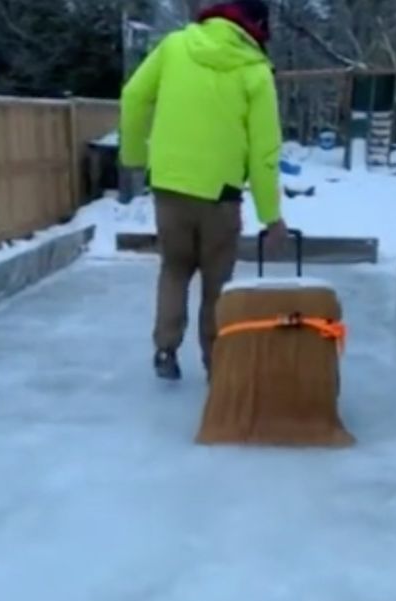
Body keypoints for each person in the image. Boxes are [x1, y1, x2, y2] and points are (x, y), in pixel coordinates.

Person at [118, 0, 289, 381]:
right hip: (221, 197)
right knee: (217, 282)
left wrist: (133, 157)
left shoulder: (175, 47)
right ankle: (216, 362)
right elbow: (265, 153)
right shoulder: (255, 72)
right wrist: (271, 217)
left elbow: (133, 97)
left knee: (174, 269)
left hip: (169, 186)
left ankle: (165, 350)